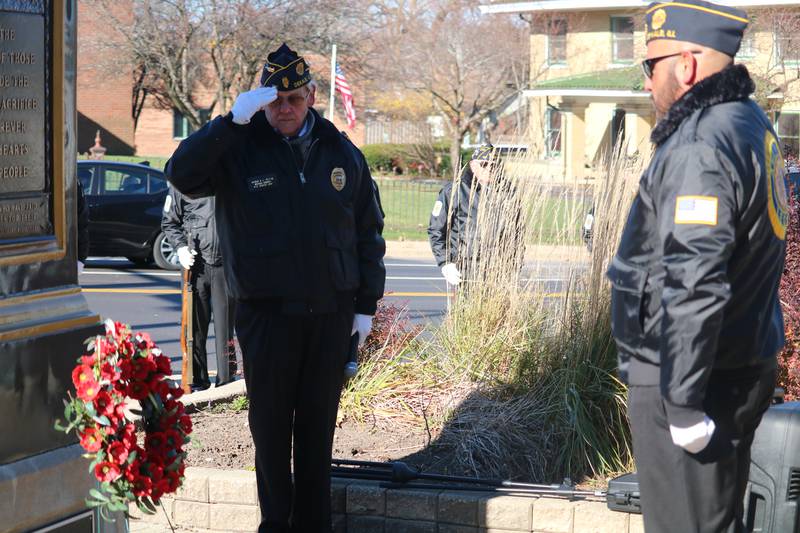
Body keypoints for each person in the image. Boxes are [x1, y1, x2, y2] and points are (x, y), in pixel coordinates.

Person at [165, 43, 385, 532]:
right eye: (274, 101)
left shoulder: (340, 151)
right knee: (269, 434)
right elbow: (181, 174)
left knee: (315, 434)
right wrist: (229, 122)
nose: (285, 109)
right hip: (267, 316)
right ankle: (275, 526)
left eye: (295, 99)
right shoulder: (238, 148)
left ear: (311, 96)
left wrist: (365, 306)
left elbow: (367, 233)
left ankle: (313, 526)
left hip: (329, 315)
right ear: (262, 101)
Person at [608, 2, 786, 531]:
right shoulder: (750, 123)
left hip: (690, 375)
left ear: (685, 65)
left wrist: (681, 400)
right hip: (736, 360)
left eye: (650, 66)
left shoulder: (701, 143)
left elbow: (693, 279)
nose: (646, 84)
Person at [161, 188, 236, 390]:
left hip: (225, 266)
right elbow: (169, 222)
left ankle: (226, 384)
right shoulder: (182, 182)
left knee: (225, 330)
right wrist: (180, 247)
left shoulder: (229, 176)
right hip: (195, 266)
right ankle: (197, 383)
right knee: (194, 330)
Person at [428, 144, 523, 292]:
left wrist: (514, 264)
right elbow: (436, 230)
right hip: (467, 267)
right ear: (473, 165)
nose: (490, 168)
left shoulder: (508, 193)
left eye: (494, 165)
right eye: (484, 164)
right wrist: (445, 263)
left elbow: (517, 232)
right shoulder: (454, 191)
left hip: (499, 268)